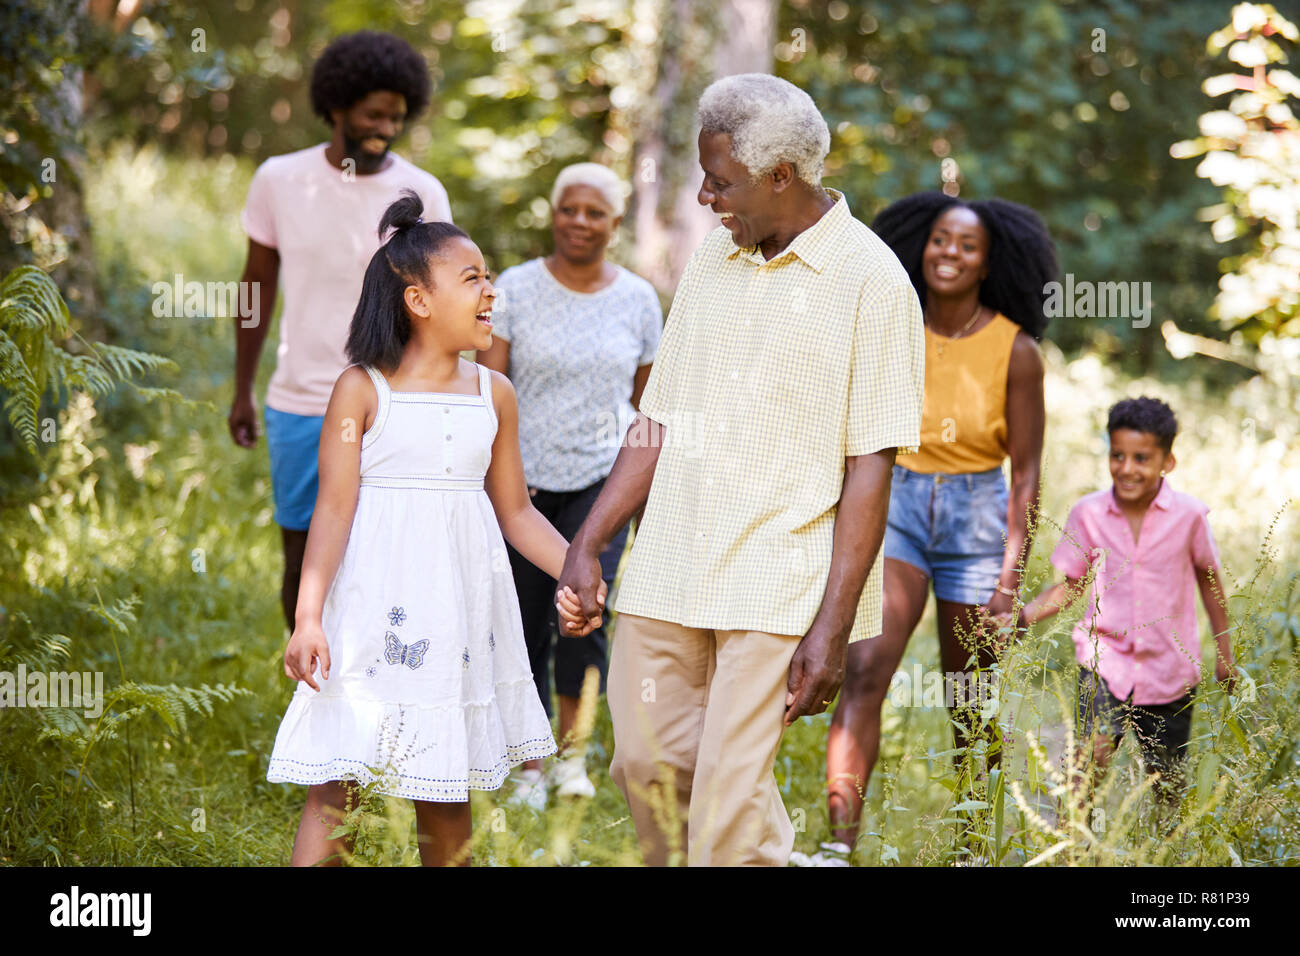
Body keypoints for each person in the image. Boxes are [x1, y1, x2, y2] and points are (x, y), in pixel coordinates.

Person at [556, 73, 925, 867]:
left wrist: (834, 624)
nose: (702, 198)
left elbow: (871, 467)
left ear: (780, 175)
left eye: (719, 182)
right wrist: (588, 541)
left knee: (728, 799)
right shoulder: (714, 262)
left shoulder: (874, 283)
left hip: (779, 578)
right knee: (647, 767)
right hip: (670, 564)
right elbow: (658, 416)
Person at [265, 192, 605, 866]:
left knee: (446, 795)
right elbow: (331, 511)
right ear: (417, 301)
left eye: (489, 277)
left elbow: (515, 512)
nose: (492, 292)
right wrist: (309, 618)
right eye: (473, 278)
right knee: (338, 785)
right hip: (372, 613)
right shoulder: (362, 390)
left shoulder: (493, 394)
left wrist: (578, 566)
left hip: (457, 618)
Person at [809, 192, 1058, 866]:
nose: (949, 253)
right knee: (862, 669)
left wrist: (1010, 580)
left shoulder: (1018, 350)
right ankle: (837, 846)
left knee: (969, 695)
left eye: (966, 246)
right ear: (922, 245)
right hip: (896, 506)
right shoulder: (892, 324)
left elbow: (1027, 476)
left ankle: (974, 848)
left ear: (987, 262)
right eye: (941, 240)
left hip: (977, 518)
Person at [230, 31, 453, 633]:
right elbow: (255, 289)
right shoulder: (279, 180)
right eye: (373, 113)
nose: (385, 127)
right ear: (336, 106)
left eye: (397, 117)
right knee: (303, 559)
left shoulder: (422, 193)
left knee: (387, 560)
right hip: (302, 401)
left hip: (393, 401)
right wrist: (242, 388)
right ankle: (311, 695)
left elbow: (441, 303)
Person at [477, 163, 663, 807]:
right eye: (568, 209)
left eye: (595, 213)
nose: (579, 222)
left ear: (615, 223)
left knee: (584, 616)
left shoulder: (638, 299)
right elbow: (489, 389)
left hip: (599, 483)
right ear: (553, 214)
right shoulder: (516, 290)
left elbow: (649, 410)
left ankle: (572, 757)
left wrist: (643, 498)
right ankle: (528, 763)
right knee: (524, 618)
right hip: (518, 482)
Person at [996, 397, 1235, 816]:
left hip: (1171, 669)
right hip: (1104, 662)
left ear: (1168, 462)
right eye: (1117, 455)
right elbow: (1070, 587)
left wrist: (1225, 653)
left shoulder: (1190, 516)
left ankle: (1166, 853)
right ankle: (1075, 850)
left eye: (1141, 458)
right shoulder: (1089, 514)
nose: (1127, 468)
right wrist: (1021, 617)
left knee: (1167, 780)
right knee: (1091, 762)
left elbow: (1210, 582)